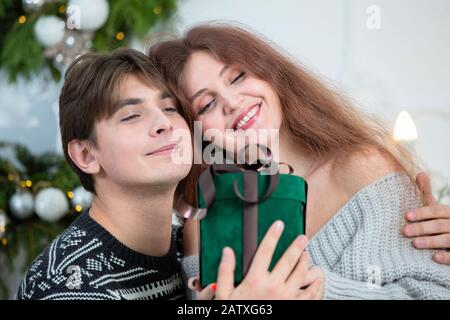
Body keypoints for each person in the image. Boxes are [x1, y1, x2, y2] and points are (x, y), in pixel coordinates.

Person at [148, 23, 450, 299]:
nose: (232, 101)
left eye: (238, 76)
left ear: (270, 74)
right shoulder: (202, 222)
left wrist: (317, 291)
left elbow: (433, 294)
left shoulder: (362, 169)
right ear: (196, 132)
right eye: (208, 103)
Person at [16, 48, 320, 300]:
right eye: (132, 115)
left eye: (171, 108)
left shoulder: (193, 252)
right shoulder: (66, 286)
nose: (164, 123)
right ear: (86, 155)